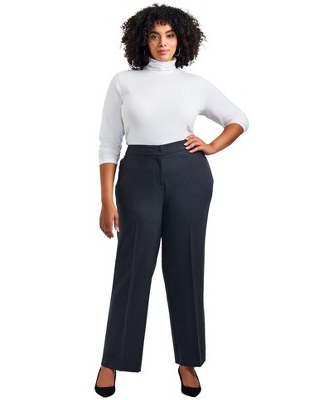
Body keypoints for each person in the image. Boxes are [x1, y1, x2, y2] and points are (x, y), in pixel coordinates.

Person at [94, 3, 249, 397]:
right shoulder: (123, 81)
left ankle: (188, 361)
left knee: (186, 267)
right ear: (141, 39)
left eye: (169, 35)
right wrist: (106, 200)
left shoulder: (194, 84)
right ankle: (112, 360)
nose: (162, 43)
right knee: (133, 268)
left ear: (181, 39)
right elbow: (109, 142)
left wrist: (212, 145)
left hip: (188, 174)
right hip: (138, 175)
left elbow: (239, 119)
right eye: (154, 36)